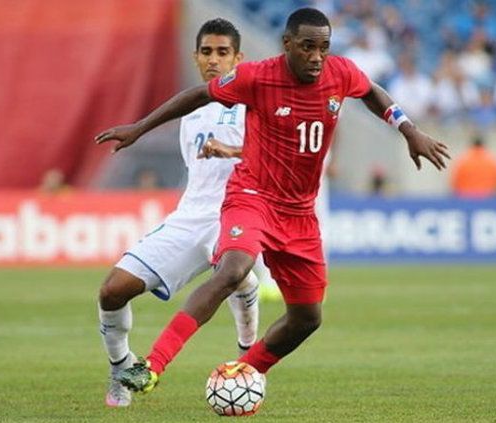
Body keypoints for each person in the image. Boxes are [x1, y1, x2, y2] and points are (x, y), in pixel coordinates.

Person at [95, 8, 450, 398]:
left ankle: (243, 372)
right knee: (232, 269)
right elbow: (197, 94)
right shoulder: (258, 76)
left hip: (300, 213)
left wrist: (408, 129)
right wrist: (139, 128)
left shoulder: (340, 72)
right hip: (252, 197)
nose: (317, 57)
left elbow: (371, 92)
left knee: (307, 318)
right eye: (307, 47)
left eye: (323, 48)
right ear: (287, 45)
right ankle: (153, 364)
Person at [96, 18, 271, 408]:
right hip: (190, 217)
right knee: (112, 291)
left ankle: (247, 355)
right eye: (206, 52)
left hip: (238, 212)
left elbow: (276, 156)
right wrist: (138, 129)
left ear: (238, 58)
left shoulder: (255, 103)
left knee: (233, 270)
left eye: (222, 52)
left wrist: (233, 151)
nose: (213, 60)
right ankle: (120, 365)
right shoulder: (190, 111)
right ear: (195, 57)